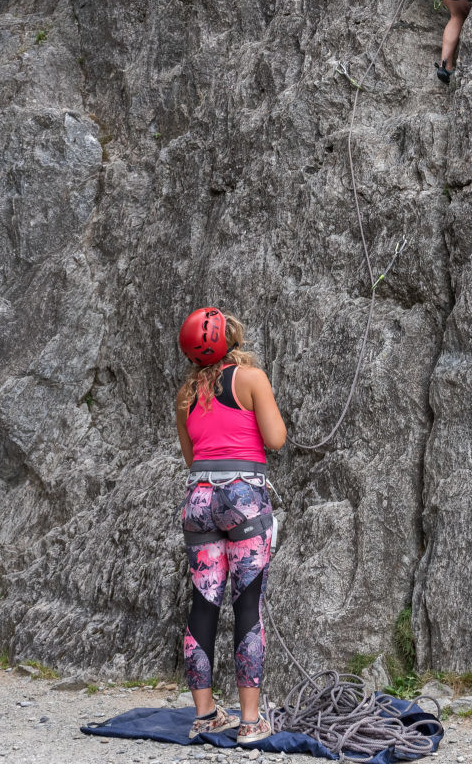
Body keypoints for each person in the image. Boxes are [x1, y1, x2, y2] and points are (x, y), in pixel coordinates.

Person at [175, 307, 287, 742]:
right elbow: (275, 439)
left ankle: (204, 717)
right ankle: (250, 721)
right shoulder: (251, 379)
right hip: (243, 497)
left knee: (204, 604)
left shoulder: (185, 394)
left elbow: (192, 459)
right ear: (231, 337)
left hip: (199, 499)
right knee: (247, 605)